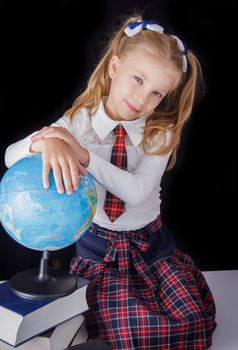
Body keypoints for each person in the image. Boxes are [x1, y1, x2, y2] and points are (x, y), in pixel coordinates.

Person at [4, 14, 216, 350]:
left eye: (157, 93)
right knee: (128, 334)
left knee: (194, 325)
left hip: (151, 252)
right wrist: (45, 142)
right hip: (100, 254)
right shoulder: (79, 122)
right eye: (137, 79)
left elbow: (137, 190)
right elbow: (10, 155)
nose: (143, 99)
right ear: (114, 67)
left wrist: (85, 156)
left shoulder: (158, 133)